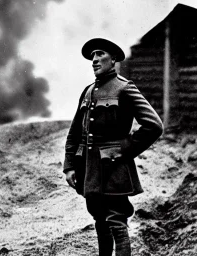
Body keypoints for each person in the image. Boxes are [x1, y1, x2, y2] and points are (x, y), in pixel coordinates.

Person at [63, 38, 163, 256]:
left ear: (114, 59)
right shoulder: (88, 91)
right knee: (99, 219)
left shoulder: (124, 88)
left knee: (116, 222)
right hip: (90, 169)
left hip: (114, 168)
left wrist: (124, 150)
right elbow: (75, 133)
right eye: (92, 56)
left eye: (100, 54)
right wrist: (69, 165)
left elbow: (154, 125)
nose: (95, 60)